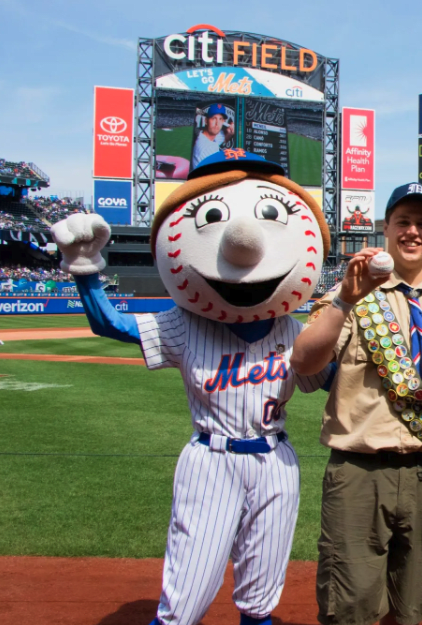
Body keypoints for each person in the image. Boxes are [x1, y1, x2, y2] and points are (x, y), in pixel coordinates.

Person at [51, 149, 334, 625]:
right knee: (185, 595)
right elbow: (112, 325)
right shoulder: (183, 324)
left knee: (262, 593)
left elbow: (331, 381)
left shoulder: (291, 329)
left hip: (275, 460)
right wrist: (86, 271)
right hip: (211, 462)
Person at [290, 182, 422, 625]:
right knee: (348, 608)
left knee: (413, 606)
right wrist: (344, 300)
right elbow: (303, 363)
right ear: (385, 228)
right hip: (359, 470)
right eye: (403, 222)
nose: (413, 231)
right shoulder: (353, 294)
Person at [192, 103, 235, 167]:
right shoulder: (205, 149)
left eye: (220, 119)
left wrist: (230, 133)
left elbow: (223, 138)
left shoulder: (210, 136)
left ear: (223, 121)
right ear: (206, 121)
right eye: (214, 118)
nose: (217, 123)